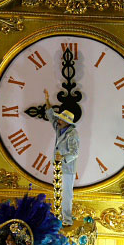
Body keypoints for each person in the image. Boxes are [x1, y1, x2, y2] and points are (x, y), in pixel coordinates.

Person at [44, 90, 80, 227]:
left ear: (66, 122)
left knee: (67, 195)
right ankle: (59, 216)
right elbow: (51, 117)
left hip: (67, 167)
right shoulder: (60, 128)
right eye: (59, 119)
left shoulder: (72, 134)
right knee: (58, 191)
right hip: (58, 166)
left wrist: (63, 157)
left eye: (61, 119)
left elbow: (75, 152)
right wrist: (47, 100)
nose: (58, 121)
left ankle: (67, 219)